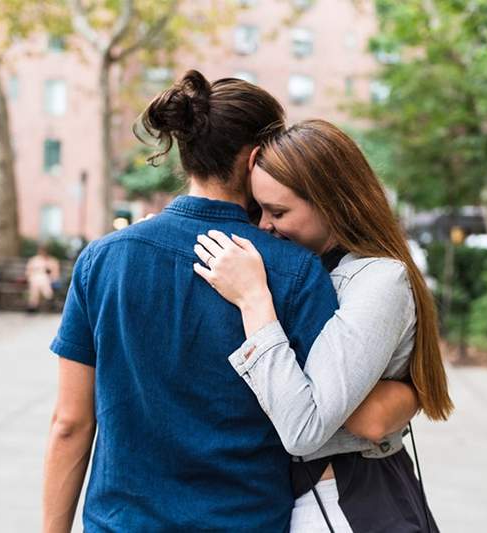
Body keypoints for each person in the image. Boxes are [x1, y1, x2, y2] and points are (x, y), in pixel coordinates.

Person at [41, 71, 415, 532]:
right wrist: (409, 394)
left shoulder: (101, 260)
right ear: (258, 156)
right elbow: (330, 409)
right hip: (245, 520)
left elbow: (70, 423)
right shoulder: (296, 271)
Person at [194, 119, 454, 532]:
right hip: (291, 499)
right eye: (257, 210)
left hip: (352, 502)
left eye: (278, 212)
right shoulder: (297, 268)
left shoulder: (377, 280)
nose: (263, 225)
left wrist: (255, 301)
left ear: (333, 203)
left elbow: (303, 429)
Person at [25, 245, 61, 313]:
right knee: (37, 280)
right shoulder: (33, 260)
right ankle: (49, 296)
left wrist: (50, 276)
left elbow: (56, 274)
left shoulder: (52, 261)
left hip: (48, 280)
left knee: (41, 279)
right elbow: (28, 272)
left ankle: (32, 304)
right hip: (35, 279)